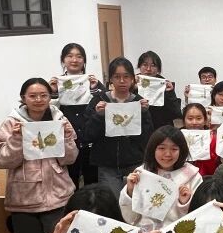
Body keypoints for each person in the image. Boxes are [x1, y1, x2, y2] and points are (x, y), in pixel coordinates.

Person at [0, 78, 78, 233]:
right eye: (33, 96)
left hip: (58, 195)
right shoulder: (11, 123)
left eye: (43, 95)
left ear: (50, 97)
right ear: (23, 98)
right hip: (24, 199)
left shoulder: (60, 120)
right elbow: (2, 161)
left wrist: (66, 138)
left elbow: (70, 159)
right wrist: (16, 139)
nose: (38, 99)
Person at [84, 57, 154, 195]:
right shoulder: (99, 101)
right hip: (107, 165)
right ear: (110, 79)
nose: (122, 81)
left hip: (134, 162)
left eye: (126, 76)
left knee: (135, 200)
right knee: (112, 201)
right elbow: (87, 135)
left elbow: (148, 137)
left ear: (132, 78)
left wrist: (145, 114)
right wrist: (98, 116)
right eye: (117, 77)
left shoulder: (139, 102)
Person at [120, 125, 203, 232]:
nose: (167, 154)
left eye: (174, 149)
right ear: (153, 149)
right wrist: (130, 192)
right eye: (161, 148)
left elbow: (199, 216)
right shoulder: (141, 174)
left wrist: (184, 203)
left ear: (181, 150)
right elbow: (129, 218)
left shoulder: (193, 176)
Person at [50, 43, 101, 186]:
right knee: (69, 182)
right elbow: (50, 111)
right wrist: (53, 92)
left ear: (84, 61)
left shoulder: (93, 82)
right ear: (63, 60)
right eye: (70, 56)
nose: (74, 60)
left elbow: (102, 108)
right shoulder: (56, 83)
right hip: (67, 143)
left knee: (92, 183)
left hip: (90, 141)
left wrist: (94, 89)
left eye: (79, 56)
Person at [137, 50, 181, 130]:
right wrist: (131, 87)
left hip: (161, 129)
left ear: (158, 69)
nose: (148, 69)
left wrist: (169, 93)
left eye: (153, 65)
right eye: (145, 65)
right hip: (140, 129)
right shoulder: (132, 83)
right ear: (139, 67)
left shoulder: (165, 85)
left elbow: (176, 113)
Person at [182, 103, 220, 177]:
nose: (194, 122)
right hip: (183, 179)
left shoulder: (215, 139)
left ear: (205, 120)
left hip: (209, 178)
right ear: (184, 121)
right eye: (190, 119)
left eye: (199, 118)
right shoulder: (177, 138)